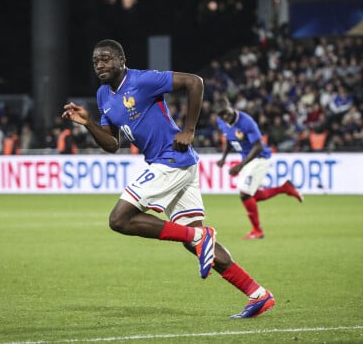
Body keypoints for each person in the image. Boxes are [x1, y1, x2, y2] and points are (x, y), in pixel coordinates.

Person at [62, 39, 274, 319]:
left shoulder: (143, 80)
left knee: (119, 219)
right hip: (173, 164)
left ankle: (200, 234)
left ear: (122, 60)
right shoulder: (103, 95)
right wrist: (89, 123)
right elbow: (112, 144)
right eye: (96, 61)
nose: (100, 64)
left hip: (171, 158)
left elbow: (195, 82)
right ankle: (258, 294)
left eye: (106, 59)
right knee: (194, 244)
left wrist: (189, 129)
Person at [215, 96, 303, 240]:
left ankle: (257, 231)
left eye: (227, 113)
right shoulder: (222, 122)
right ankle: (284, 188)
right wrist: (224, 158)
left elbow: (259, 146)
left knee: (244, 193)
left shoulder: (246, 122)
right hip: (247, 160)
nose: (225, 117)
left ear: (231, 107)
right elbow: (229, 139)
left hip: (259, 158)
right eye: (221, 115)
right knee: (250, 195)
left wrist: (240, 166)